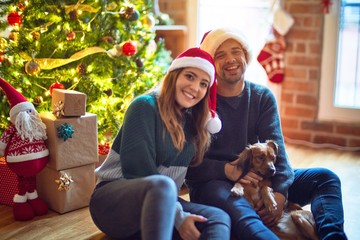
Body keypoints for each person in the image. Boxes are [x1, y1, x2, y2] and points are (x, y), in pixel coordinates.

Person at [185, 27, 347, 240]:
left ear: (245, 56)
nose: (231, 60)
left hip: (263, 179)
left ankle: (333, 236)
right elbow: (189, 167)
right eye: (220, 55)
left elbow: (278, 155)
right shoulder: (199, 102)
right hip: (219, 184)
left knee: (325, 178)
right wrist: (228, 169)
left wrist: (280, 194)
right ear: (210, 64)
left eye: (236, 52)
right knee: (242, 210)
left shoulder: (262, 97)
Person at [89, 47, 230, 240]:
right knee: (162, 185)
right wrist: (179, 216)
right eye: (189, 76)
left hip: (160, 204)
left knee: (217, 218)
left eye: (203, 84)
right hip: (112, 203)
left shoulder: (195, 122)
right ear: (174, 75)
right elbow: (137, 172)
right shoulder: (144, 107)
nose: (195, 88)